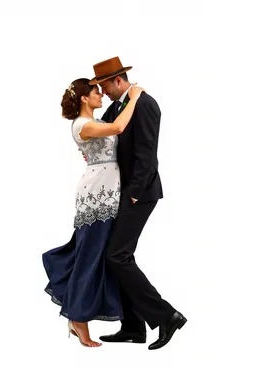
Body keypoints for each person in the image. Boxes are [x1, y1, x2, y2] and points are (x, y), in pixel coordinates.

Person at [86, 56, 187, 350]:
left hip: (139, 193)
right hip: (120, 192)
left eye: (104, 86)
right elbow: (104, 137)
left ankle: (167, 316)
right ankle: (132, 326)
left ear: (119, 80)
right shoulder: (116, 108)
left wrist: (133, 193)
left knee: (117, 255)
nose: (102, 92)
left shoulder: (145, 104)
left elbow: (147, 154)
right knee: (115, 256)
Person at [42, 77, 144, 347]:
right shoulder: (82, 125)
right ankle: (77, 320)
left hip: (109, 195)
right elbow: (120, 127)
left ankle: (85, 317)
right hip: (96, 198)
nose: (101, 95)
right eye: (97, 92)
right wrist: (134, 97)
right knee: (89, 258)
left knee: (99, 257)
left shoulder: (96, 121)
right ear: (85, 98)